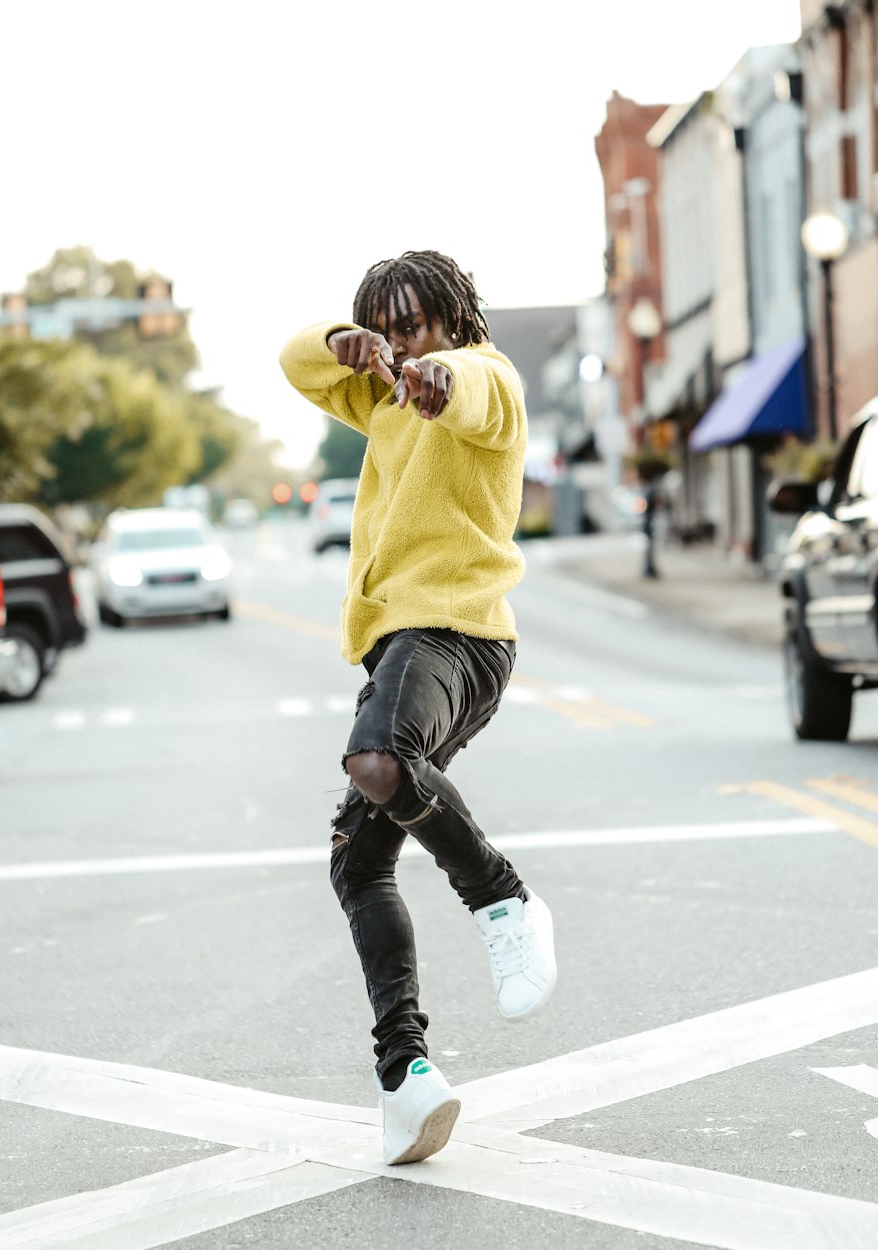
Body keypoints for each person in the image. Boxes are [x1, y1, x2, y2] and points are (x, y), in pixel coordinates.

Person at [279, 250, 556, 1167]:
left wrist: (445, 372)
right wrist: (344, 345)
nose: (405, 347)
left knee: (381, 763)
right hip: (401, 643)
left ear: (453, 321)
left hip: (457, 631)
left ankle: (503, 901)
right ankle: (407, 1079)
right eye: (389, 330)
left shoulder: (488, 379)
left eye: (418, 327)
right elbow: (294, 361)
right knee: (357, 863)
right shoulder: (379, 399)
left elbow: (475, 386)